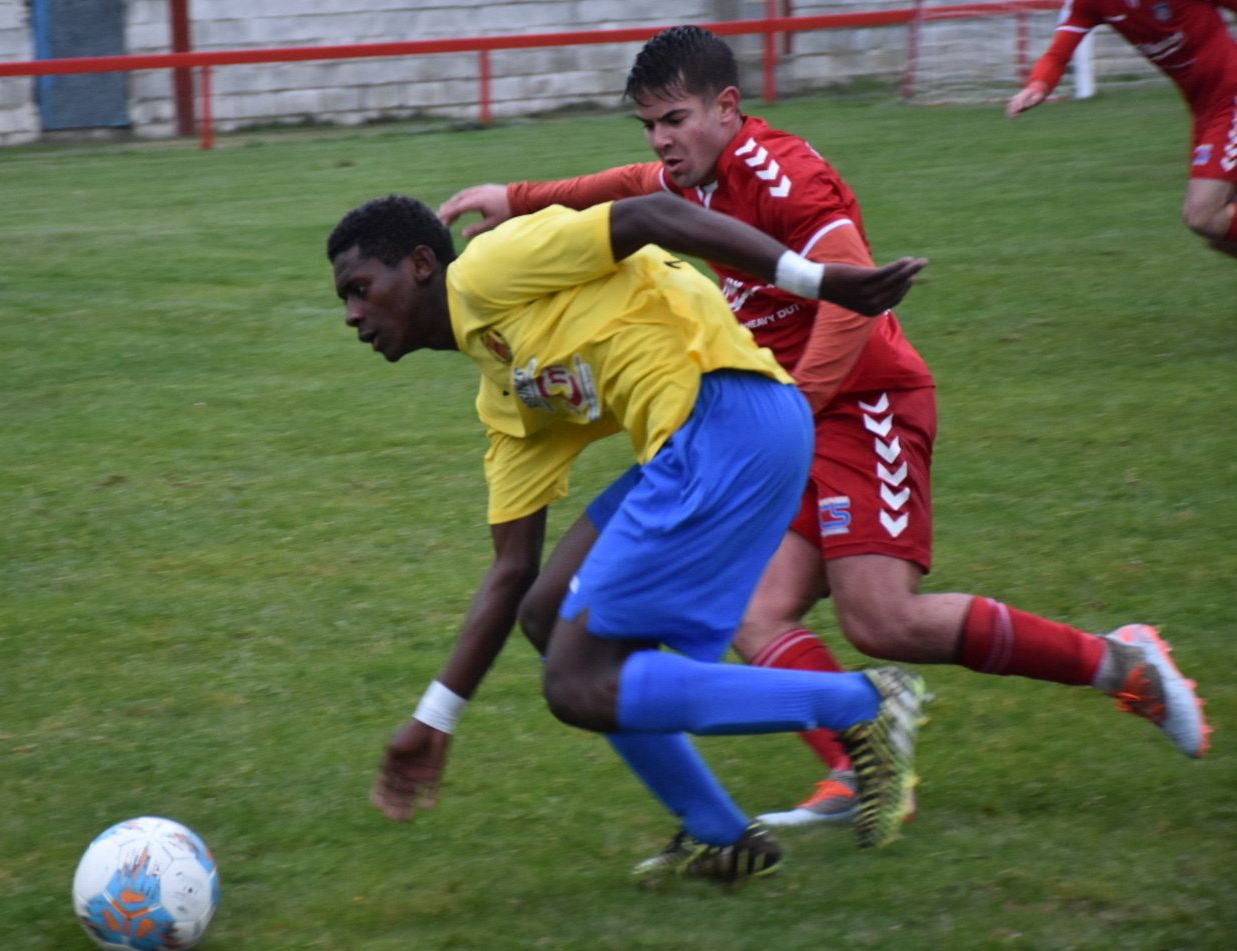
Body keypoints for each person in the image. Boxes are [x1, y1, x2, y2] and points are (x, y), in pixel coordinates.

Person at [439, 25, 1212, 833]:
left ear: (727, 107)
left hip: (864, 398)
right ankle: (862, 769)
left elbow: (853, 292)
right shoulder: (690, 176)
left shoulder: (781, 173)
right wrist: (516, 197)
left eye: (675, 119)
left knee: (883, 621)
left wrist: (792, 412)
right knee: (757, 615)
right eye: (651, 125)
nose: (662, 141)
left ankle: (1123, 664)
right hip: (784, 419)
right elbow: (621, 190)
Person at [329, 190, 929, 883]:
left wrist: (814, 280)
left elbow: (646, 215)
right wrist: (437, 716)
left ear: (423, 264)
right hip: (701, 446)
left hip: (732, 420)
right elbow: (511, 569)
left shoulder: (491, 266)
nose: (352, 315)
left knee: (577, 682)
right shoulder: (505, 397)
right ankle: (722, 835)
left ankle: (863, 705)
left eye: (360, 290)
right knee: (547, 616)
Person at [1007, 0, 1237, 258]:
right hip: (1204, 110)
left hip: (1231, 93)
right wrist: (1037, 86)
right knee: (1220, 236)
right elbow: (1057, 54)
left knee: (1203, 215)